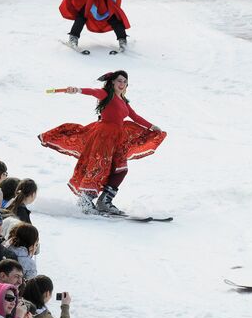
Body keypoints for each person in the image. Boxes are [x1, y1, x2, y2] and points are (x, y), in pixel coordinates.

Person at [38, 71, 165, 215]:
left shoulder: (123, 101)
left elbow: (135, 116)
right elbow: (93, 92)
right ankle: (85, 200)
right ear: (112, 82)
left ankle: (105, 201)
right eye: (119, 81)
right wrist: (77, 90)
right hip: (103, 137)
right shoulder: (106, 94)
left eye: (124, 81)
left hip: (117, 139)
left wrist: (151, 126)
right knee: (99, 167)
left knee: (121, 169)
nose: (122, 84)